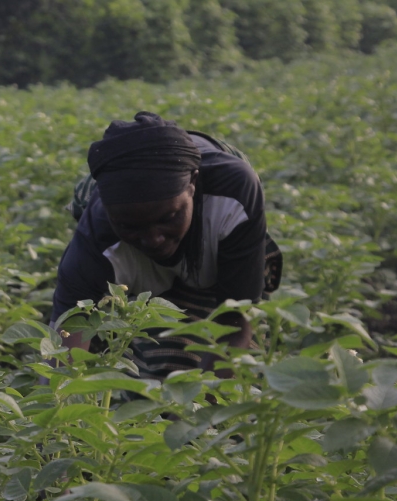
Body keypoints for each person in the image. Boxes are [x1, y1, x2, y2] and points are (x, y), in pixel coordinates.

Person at [52, 111, 282, 377]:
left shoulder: (233, 195)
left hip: (218, 241)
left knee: (228, 362)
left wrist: (200, 408)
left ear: (193, 184)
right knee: (134, 350)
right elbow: (64, 350)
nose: (154, 239)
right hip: (122, 249)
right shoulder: (95, 237)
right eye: (131, 226)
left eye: (168, 218)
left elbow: (234, 321)